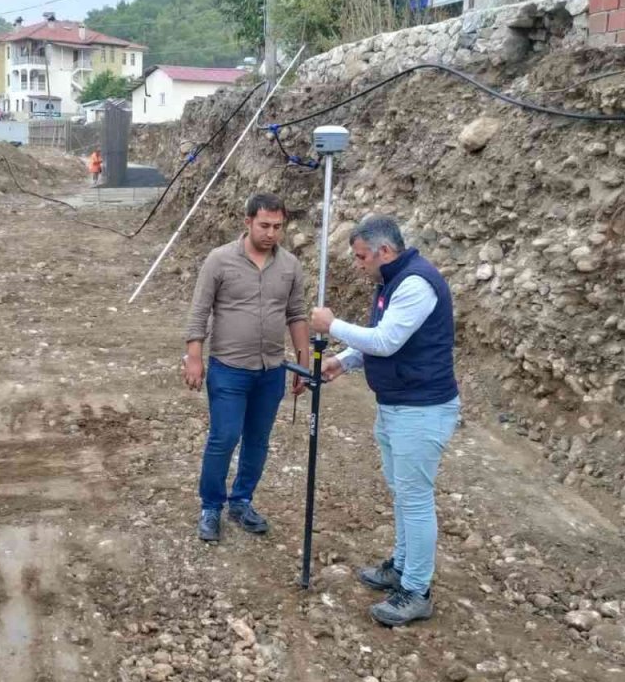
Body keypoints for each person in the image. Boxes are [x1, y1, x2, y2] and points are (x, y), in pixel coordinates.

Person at [309, 215, 459, 628]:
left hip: (420, 409)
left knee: (414, 498)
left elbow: (386, 341)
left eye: (361, 257)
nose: (358, 264)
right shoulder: (391, 283)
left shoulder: (414, 284)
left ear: (384, 252)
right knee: (402, 493)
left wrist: (331, 326)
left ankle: (416, 590)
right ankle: (402, 566)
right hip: (397, 405)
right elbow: (382, 339)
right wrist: (342, 360)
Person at [183, 193, 310, 543]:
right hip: (229, 368)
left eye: (278, 227)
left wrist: (303, 362)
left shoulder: (290, 267)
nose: (271, 233)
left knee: (258, 440)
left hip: (272, 371)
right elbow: (199, 311)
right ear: (248, 222)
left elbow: (296, 313)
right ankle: (211, 506)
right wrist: (194, 356)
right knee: (224, 438)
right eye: (264, 225)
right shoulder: (219, 261)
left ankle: (241, 501)